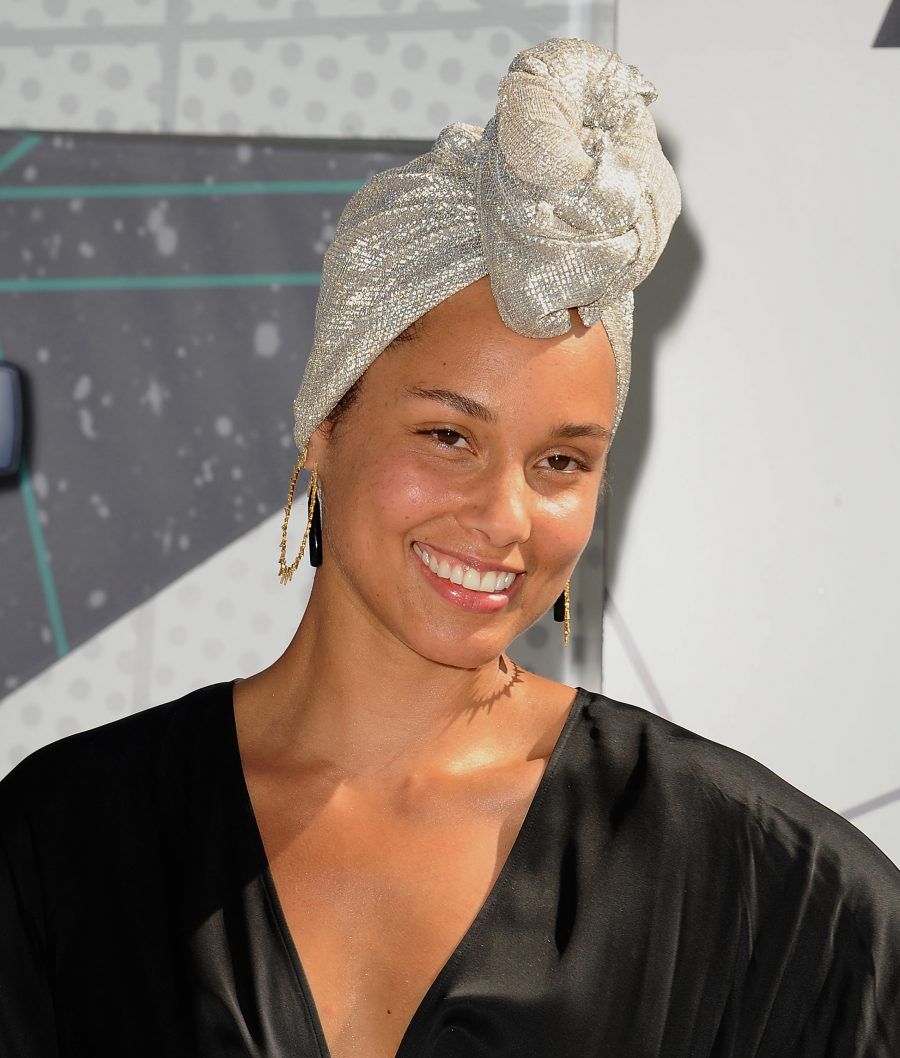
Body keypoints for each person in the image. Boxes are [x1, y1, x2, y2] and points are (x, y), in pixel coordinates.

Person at [1, 37, 898, 1058]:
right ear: (325, 423)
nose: (506, 515)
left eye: (561, 461)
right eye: (449, 434)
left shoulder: (733, 873)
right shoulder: (71, 841)